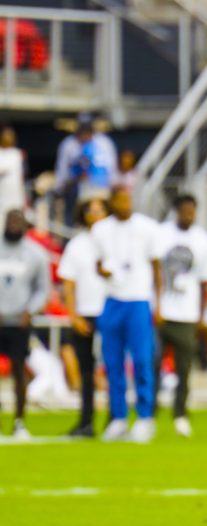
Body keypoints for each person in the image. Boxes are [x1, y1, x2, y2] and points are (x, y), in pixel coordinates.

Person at [92, 187, 161, 443]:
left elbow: (156, 268)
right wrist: (104, 272)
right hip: (112, 300)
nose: (125, 204)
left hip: (138, 299)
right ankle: (118, 417)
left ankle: (145, 417)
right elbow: (97, 264)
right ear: (112, 202)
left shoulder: (147, 227)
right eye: (120, 199)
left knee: (142, 360)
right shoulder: (100, 229)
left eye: (128, 199)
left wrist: (159, 303)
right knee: (113, 362)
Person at [154, 195, 207, 438]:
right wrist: (157, 305)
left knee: (184, 368)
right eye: (184, 211)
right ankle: (149, 413)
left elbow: (204, 281)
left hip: (187, 314)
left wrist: (201, 315)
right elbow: (154, 273)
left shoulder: (203, 241)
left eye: (192, 211)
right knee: (153, 363)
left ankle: (180, 413)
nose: (188, 216)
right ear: (176, 211)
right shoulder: (161, 234)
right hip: (162, 311)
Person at [57, 197, 109, 437]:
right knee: (86, 371)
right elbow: (68, 284)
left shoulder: (116, 242)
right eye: (91, 211)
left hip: (112, 311)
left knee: (114, 370)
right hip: (86, 312)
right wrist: (73, 314)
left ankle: (115, 420)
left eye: (101, 211)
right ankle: (86, 421)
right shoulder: (77, 245)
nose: (96, 215)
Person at [0, 209, 50, 440]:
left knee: (19, 370)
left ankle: (19, 421)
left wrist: (31, 310)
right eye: (10, 220)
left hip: (19, 321)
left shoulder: (36, 254)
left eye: (18, 221)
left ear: (25, 225)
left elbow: (43, 288)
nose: (13, 225)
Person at [0, 124, 25, 219]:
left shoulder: (17, 154)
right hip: (2, 199)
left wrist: (23, 200)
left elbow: (21, 178)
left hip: (16, 200)